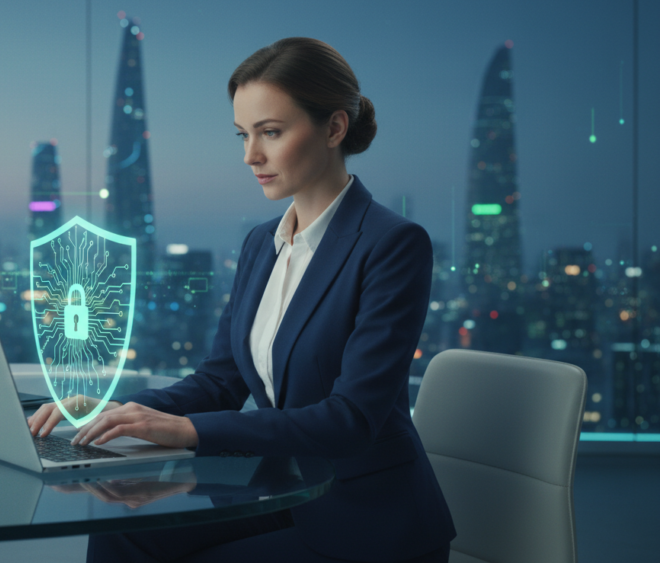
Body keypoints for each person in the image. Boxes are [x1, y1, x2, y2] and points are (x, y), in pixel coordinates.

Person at [28, 37, 456, 563]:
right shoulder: (262, 244)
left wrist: (186, 432)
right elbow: (220, 381)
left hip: (365, 518)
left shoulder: (391, 244)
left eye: (271, 133)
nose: (250, 155)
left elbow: (350, 419)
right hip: (280, 491)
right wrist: (121, 413)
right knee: (120, 531)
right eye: (243, 135)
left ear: (334, 128)